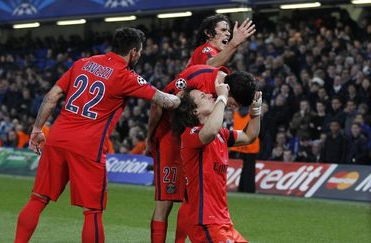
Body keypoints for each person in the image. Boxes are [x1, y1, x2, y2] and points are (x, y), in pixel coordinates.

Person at [14, 27, 180, 243]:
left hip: (58, 137)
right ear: (133, 52)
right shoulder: (125, 75)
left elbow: (52, 96)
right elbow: (166, 101)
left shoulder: (83, 63)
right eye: (139, 52)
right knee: (92, 211)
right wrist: (183, 94)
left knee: (37, 199)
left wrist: (37, 129)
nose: (139, 56)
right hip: (88, 147)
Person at [171, 71, 261, 243]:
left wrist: (255, 110)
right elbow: (209, 131)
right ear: (194, 111)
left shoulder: (221, 134)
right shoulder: (190, 135)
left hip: (223, 222)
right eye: (202, 96)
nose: (208, 94)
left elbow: (249, 136)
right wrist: (222, 98)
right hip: (204, 223)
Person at [147, 64, 230, 243]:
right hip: (171, 138)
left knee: (189, 199)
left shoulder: (208, 76)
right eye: (224, 33)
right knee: (168, 202)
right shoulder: (201, 66)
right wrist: (151, 137)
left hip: (188, 138)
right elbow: (158, 104)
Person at [187, 14, 256, 68]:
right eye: (223, 30)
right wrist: (233, 43)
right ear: (209, 33)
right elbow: (211, 65)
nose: (228, 34)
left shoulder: (218, 54)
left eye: (228, 31)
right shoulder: (205, 49)